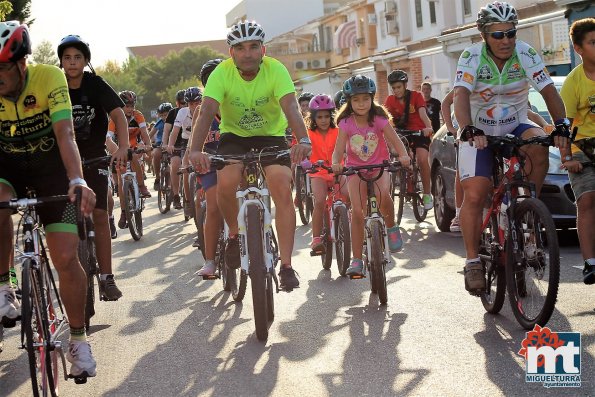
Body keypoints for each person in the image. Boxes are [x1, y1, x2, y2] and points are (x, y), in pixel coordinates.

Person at [0, 21, 97, 378]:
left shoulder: (49, 78)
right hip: (6, 168)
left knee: (66, 257)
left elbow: (65, 131)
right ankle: (3, 288)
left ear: (22, 64)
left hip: (51, 170)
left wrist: (77, 178)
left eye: (3, 69)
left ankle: (79, 340)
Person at [453, 1, 569, 295]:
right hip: (478, 130)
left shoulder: (526, 53)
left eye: (510, 33)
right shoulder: (471, 56)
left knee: (539, 146)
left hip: (515, 123)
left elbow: (548, 91)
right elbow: (461, 94)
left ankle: (527, 214)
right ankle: (472, 261)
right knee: (476, 193)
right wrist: (468, 128)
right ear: (484, 34)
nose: (506, 40)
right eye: (498, 35)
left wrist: (561, 125)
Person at [190, 21, 311, 291]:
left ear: (263, 49)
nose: (247, 53)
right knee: (226, 183)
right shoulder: (221, 73)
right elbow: (208, 110)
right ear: (231, 52)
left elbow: (290, 106)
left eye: (253, 47)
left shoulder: (276, 69)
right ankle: (234, 233)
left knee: (281, 184)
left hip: (271, 136)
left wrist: (302, 139)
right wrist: (194, 150)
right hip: (234, 137)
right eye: (240, 48)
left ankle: (287, 266)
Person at [57, 34, 128, 301]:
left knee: (100, 214)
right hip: (63, 161)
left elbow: (118, 114)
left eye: (78, 57)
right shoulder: (56, 85)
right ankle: (71, 272)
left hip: (96, 157)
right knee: (63, 220)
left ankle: (107, 278)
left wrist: (122, 147)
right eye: (67, 57)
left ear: (86, 61)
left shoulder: (95, 83)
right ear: (61, 62)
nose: (72, 62)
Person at [331, 75, 411, 277]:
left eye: (365, 99)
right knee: (357, 212)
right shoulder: (346, 123)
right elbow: (339, 149)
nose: (361, 104)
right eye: (356, 100)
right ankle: (357, 259)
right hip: (355, 170)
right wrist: (335, 163)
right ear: (349, 101)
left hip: (379, 167)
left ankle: (391, 227)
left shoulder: (379, 119)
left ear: (372, 99)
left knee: (384, 197)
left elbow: (395, 139)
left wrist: (403, 155)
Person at [560, 17, 595, 285]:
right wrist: (567, 158)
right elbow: (565, 126)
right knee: (587, 200)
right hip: (583, 148)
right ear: (579, 48)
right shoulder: (574, 81)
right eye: (593, 42)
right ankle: (590, 263)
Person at [384, 70, 435, 211]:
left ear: (405, 85)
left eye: (398, 87)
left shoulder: (416, 96)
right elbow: (386, 121)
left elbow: (423, 114)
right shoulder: (390, 100)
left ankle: (427, 194)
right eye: (393, 88)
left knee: (423, 159)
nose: (396, 91)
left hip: (419, 132)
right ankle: (406, 172)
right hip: (402, 134)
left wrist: (428, 127)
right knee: (398, 155)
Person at [305, 94, 349, 253]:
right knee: (319, 201)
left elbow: (348, 147)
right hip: (318, 173)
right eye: (319, 117)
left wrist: (347, 157)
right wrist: (304, 161)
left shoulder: (338, 131)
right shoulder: (308, 134)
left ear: (331, 116)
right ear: (313, 118)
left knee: (347, 193)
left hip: (338, 170)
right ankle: (316, 238)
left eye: (326, 116)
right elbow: (300, 148)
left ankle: (347, 220)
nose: (323, 120)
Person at [195, 59, 224, 276]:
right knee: (213, 205)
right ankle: (210, 260)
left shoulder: (237, 102)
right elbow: (193, 144)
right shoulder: (202, 110)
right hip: (211, 164)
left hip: (237, 160)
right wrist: (193, 156)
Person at [108, 90, 153, 229]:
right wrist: (116, 152)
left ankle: (141, 185)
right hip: (119, 148)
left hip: (135, 148)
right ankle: (123, 212)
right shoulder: (114, 118)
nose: (130, 108)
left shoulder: (138, 115)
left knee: (133, 156)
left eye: (132, 105)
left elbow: (145, 133)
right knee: (121, 180)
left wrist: (148, 145)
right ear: (121, 106)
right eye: (127, 106)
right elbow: (108, 139)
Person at [167, 87, 202, 213]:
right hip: (186, 141)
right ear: (187, 104)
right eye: (191, 103)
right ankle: (187, 201)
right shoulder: (182, 112)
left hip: (203, 140)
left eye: (197, 103)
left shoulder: (206, 110)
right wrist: (170, 144)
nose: (194, 106)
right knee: (185, 169)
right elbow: (175, 131)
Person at [162, 90, 187, 209]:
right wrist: (165, 144)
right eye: (182, 103)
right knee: (175, 164)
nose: (185, 105)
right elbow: (167, 130)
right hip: (176, 144)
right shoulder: (173, 113)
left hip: (189, 143)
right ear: (177, 103)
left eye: (187, 103)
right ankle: (176, 195)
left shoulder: (196, 111)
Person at [149, 102, 173, 190]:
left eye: (166, 115)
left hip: (172, 144)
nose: (164, 117)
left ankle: (171, 183)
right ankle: (158, 177)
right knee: (156, 154)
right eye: (161, 115)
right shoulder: (159, 122)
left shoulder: (175, 121)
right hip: (160, 144)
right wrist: (146, 143)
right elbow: (151, 134)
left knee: (173, 162)